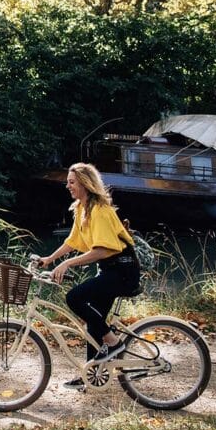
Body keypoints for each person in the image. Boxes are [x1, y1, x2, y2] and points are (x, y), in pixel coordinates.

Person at [37, 162, 141, 389]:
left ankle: (113, 343)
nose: (68, 186)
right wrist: (49, 259)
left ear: (85, 183)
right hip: (109, 270)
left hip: (123, 271)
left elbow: (104, 249)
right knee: (94, 324)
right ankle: (90, 376)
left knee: (74, 297)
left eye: (71, 182)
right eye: (68, 182)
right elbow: (72, 242)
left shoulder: (100, 211)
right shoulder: (82, 209)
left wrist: (68, 263)